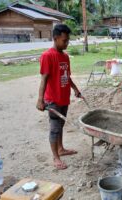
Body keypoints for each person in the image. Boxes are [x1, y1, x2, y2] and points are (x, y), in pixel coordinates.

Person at [36, 24, 81, 170]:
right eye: (64, 41)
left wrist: (75, 89)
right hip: (53, 99)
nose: (67, 43)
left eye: (68, 40)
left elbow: (67, 76)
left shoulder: (65, 56)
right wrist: (40, 100)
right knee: (55, 128)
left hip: (64, 98)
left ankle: (61, 148)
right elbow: (44, 79)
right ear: (55, 38)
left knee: (60, 125)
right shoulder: (47, 56)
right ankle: (56, 157)